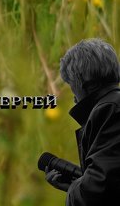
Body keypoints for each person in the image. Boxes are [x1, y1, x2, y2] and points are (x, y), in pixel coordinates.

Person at [48, 38, 120, 203]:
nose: (74, 97)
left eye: (73, 85)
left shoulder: (109, 110)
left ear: (89, 83)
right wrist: (76, 183)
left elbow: (99, 189)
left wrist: (74, 190)